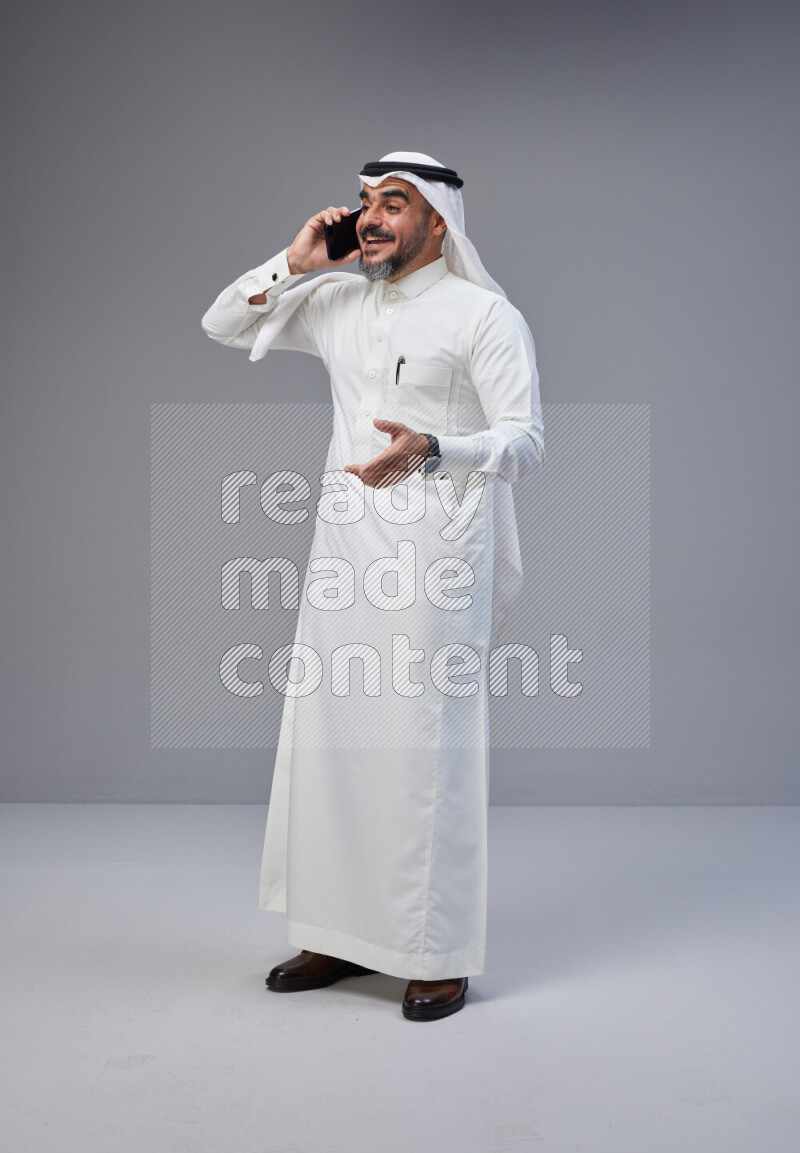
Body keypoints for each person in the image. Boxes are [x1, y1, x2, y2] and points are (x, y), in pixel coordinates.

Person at [201, 152, 545, 1021]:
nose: (375, 217)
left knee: (425, 752)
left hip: (437, 561)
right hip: (343, 555)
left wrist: (435, 447)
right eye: (366, 203)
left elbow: (526, 441)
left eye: (396, 203)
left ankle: (435, 950)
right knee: (333, 739)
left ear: (438, 219)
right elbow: (220, 324)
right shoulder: (339, 301)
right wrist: (296, 264)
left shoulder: (485, 317)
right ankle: (336, 933)